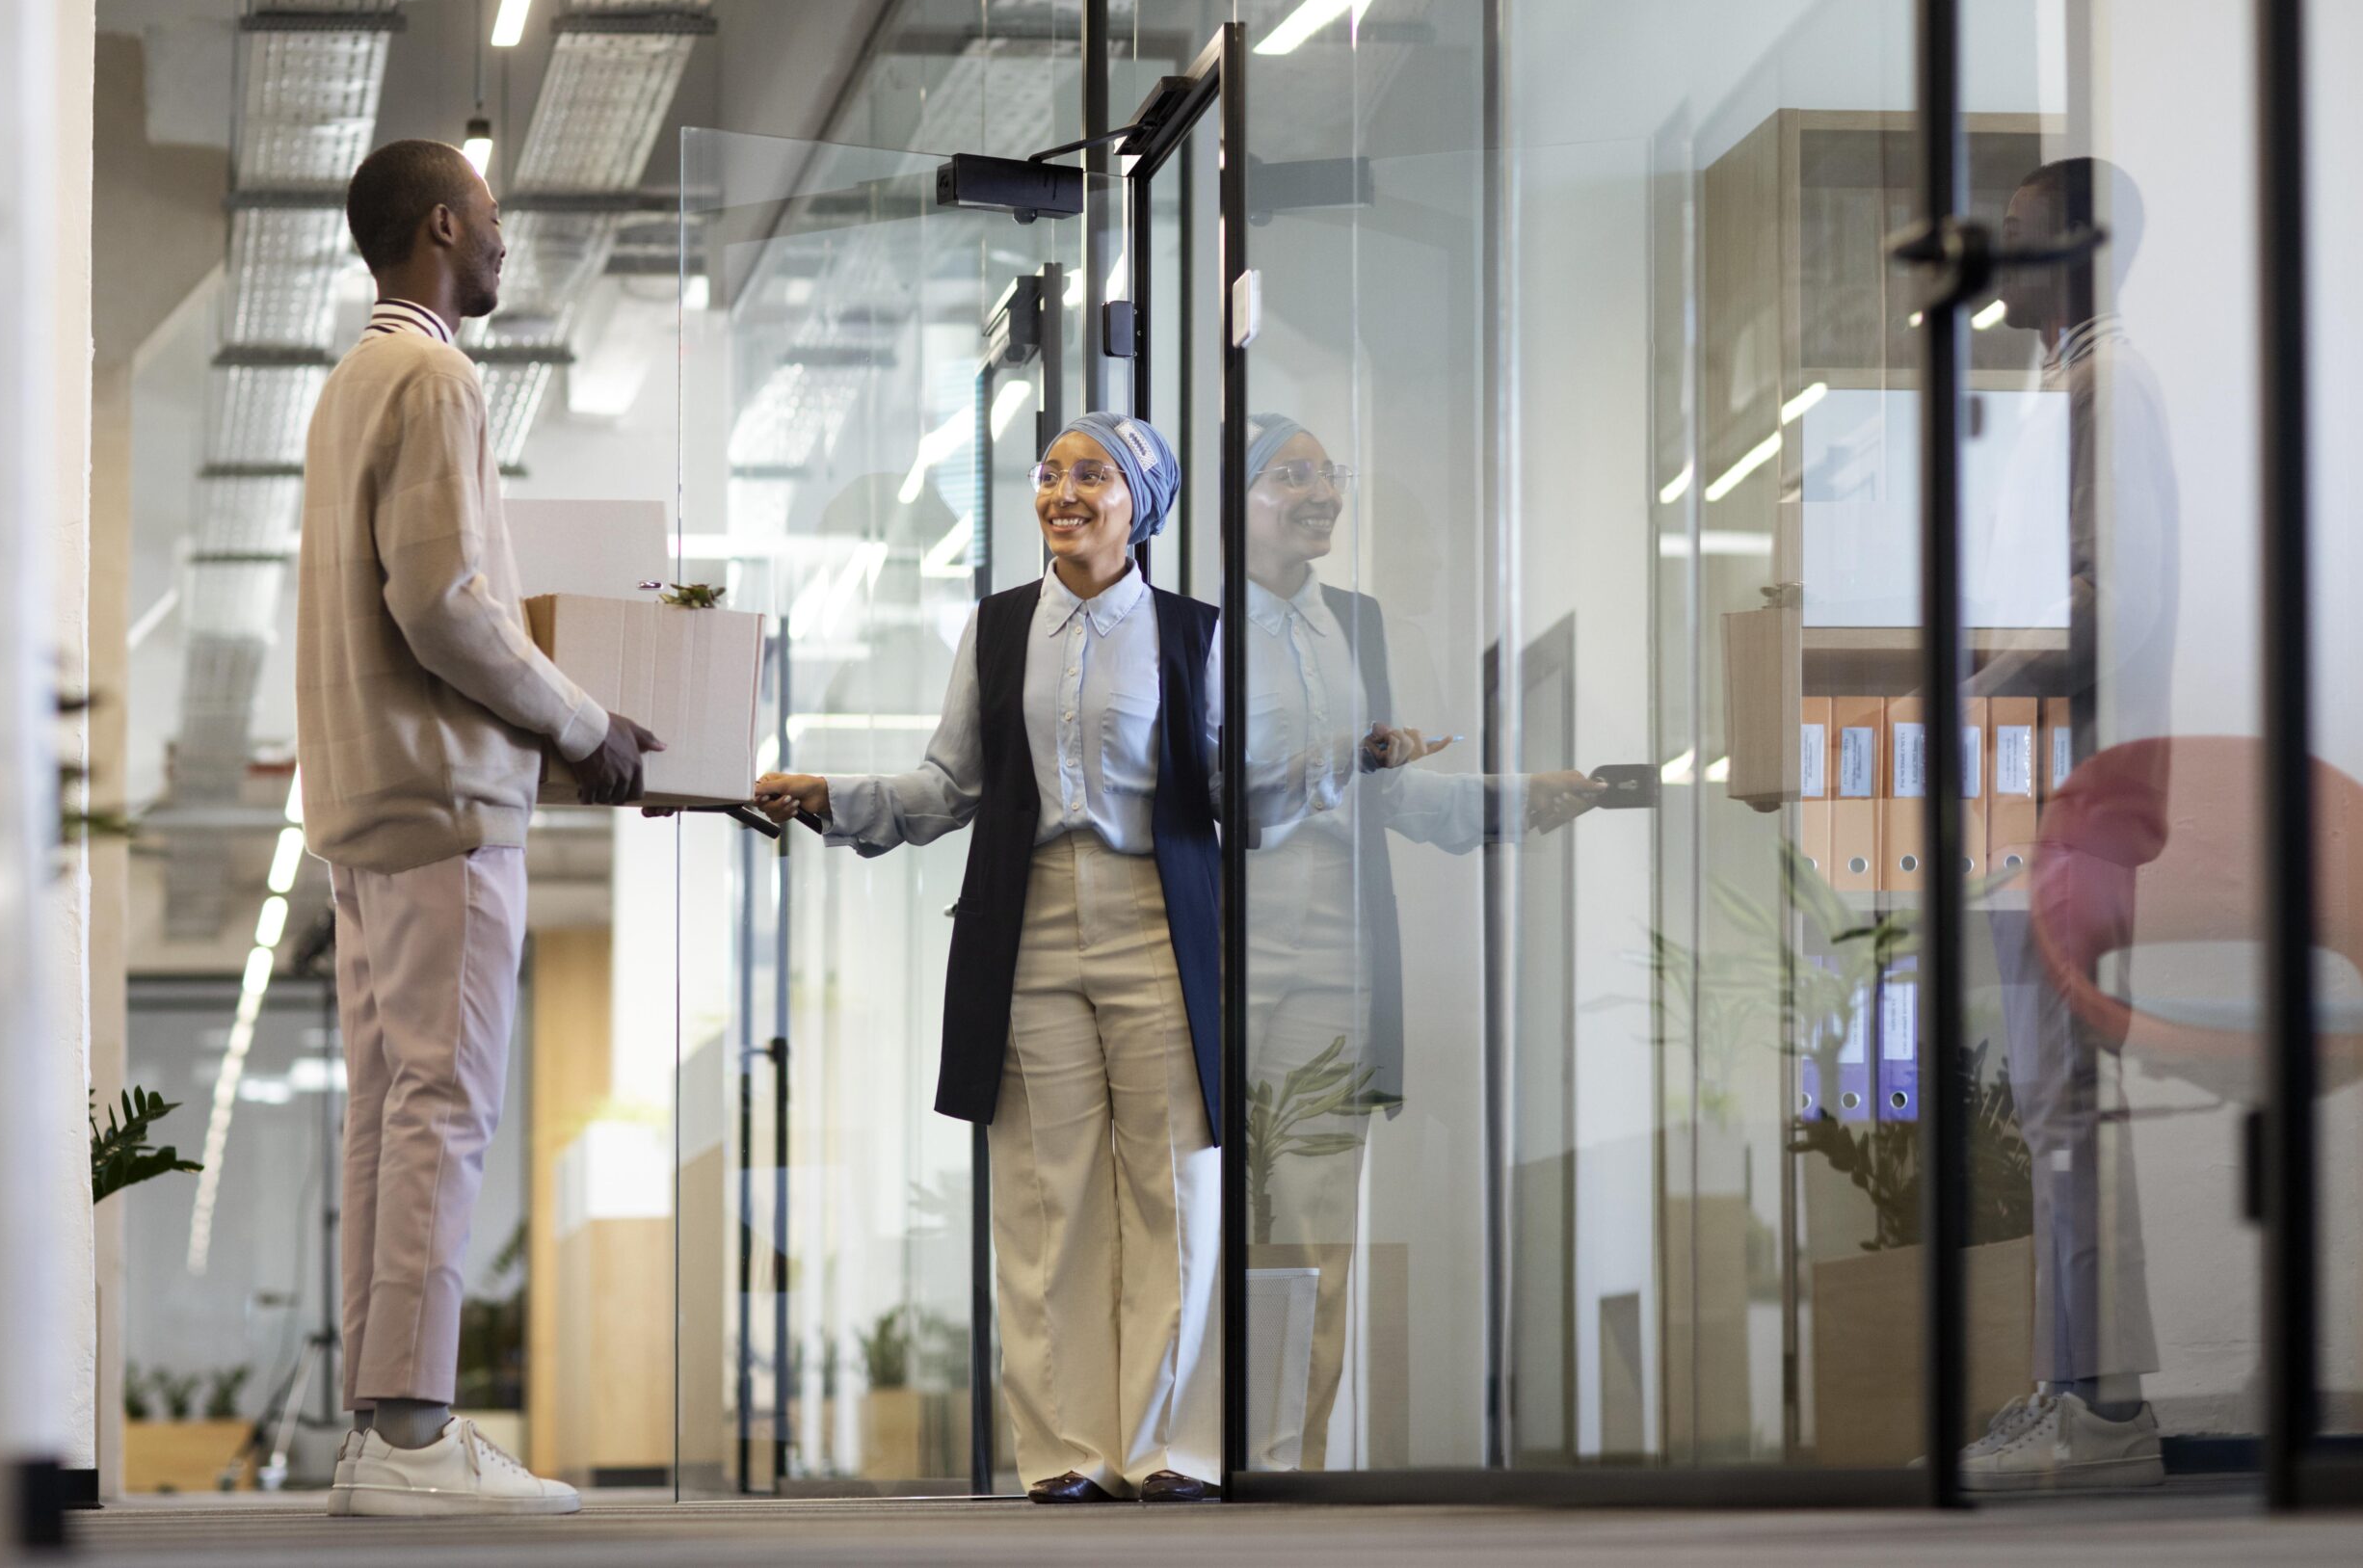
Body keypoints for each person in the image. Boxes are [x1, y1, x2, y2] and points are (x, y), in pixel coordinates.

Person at [753, 412, 1411, 1501]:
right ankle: (1067, 1454)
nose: (1062, 490)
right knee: (1044, 1194)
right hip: (1030, 924)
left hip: (1157, 916)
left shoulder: (1193, 634)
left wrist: (1342, 762)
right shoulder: (999, 627)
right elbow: (949, 787)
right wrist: (838, 799)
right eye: (1049, 473)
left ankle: (1172, 1451)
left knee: (1174, 1187)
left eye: (1091, 474)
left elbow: (1234, 792)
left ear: (1137, 503)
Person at [298, 139, 663, 1517]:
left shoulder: (349, 382)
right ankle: (416, 1437)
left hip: (360, 803)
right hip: (441, 799)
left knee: (388, 1115)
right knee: (443, 1110)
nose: (506, 242)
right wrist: (584, 724)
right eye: (496, 218)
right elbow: (445, 602)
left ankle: (379, 1430)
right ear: (445, 224)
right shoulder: (435, 373)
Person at [1239, 413, 1600, 1467]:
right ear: (1237, 495)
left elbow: (1388, 792)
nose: (1319, 492)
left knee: (1309, 1235)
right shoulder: (1192, 629)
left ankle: (1283, 1465)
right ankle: (1185, 1454)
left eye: (1328, 473)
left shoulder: (1356, 621)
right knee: (1205, 1226)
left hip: (1335, 976)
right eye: (1290, 473)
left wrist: (1511, 800)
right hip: (1215, 965)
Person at [1960, 155, 2176, 1491]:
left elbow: (2112, 602)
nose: (2005, 269)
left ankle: (2097, 1409)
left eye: (2029, 244)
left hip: (2071, 798)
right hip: (2037, 790)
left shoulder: (2105, 386)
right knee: (2051, 1108)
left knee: (2064, 1111)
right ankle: (2079, 1391)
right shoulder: (2063, 385)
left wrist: (1971, 679)